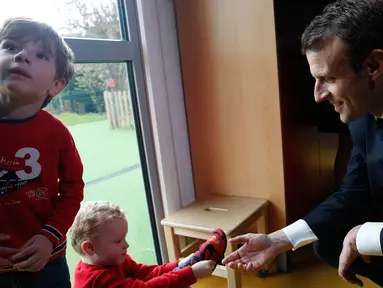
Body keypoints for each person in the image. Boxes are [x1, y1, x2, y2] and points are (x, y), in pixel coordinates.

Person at [222, 0, 383, 287]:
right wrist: (279, 240)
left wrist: (365, 236)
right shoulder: (361, 119)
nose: (318, 95)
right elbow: (353, 192)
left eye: (328, 78)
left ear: (373, 66)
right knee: (328, 242)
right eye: (316, 79)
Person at [0, 17, 84, 287]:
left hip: (45, 264)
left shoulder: (56, 133)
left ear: (56, 85)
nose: (22, 56)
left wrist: (50, 236)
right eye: (11, 47)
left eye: (40, 54)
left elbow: (72, 190)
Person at [70, 201, 227, 287]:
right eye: (118, 241)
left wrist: (181, 264)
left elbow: (146, 273)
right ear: (90, 248)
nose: (126, 245)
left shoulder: (113, 258)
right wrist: (190, 273)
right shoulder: (97, 280)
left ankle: (195, 259)